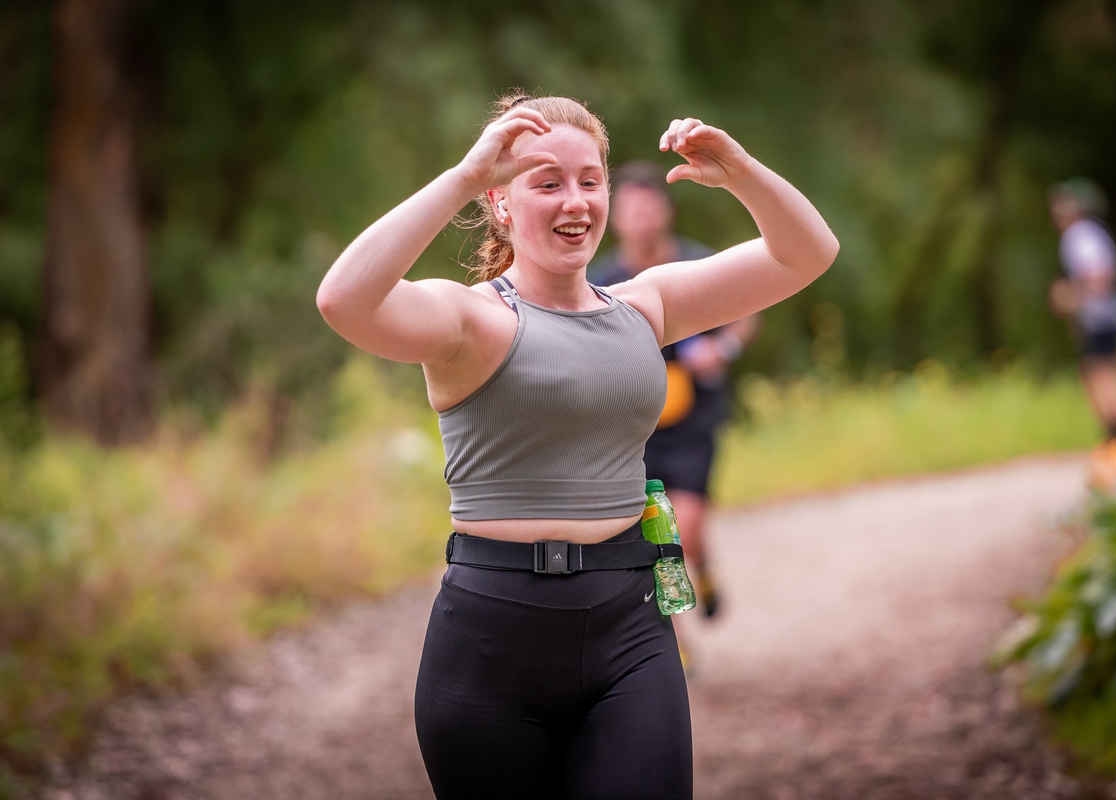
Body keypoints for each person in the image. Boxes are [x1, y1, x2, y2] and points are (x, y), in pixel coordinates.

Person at [316, 89, 838, 799]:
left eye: (591, 181)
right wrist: (464, 177)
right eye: (547, 183)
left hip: (631, 629)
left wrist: (743, 172)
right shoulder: (468, 319)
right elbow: (343, 299)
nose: (576, 201)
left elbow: (808, 253)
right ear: (501, 202)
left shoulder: (646, 306)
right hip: (490, 646)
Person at [590, 161, 760, 621]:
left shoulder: (699, 263)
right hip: (634, 429)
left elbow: (749, 313)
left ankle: (703, 567)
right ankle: (675, 644)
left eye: (649, 207)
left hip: (694, 420)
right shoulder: (600, 279)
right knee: (651, 539)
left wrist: (721, 349)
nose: (641, 218)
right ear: (614, 216)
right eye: (631, 209)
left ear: (667, 211)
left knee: (686, 528)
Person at [1047, 177, 1116, 486]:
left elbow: (1099, 275)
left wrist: (1072, 297)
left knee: (1100, 373)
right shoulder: (1093, 232)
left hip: (1100, 315)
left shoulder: (1080, 235)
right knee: (1111, 368)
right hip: (1108, 312)